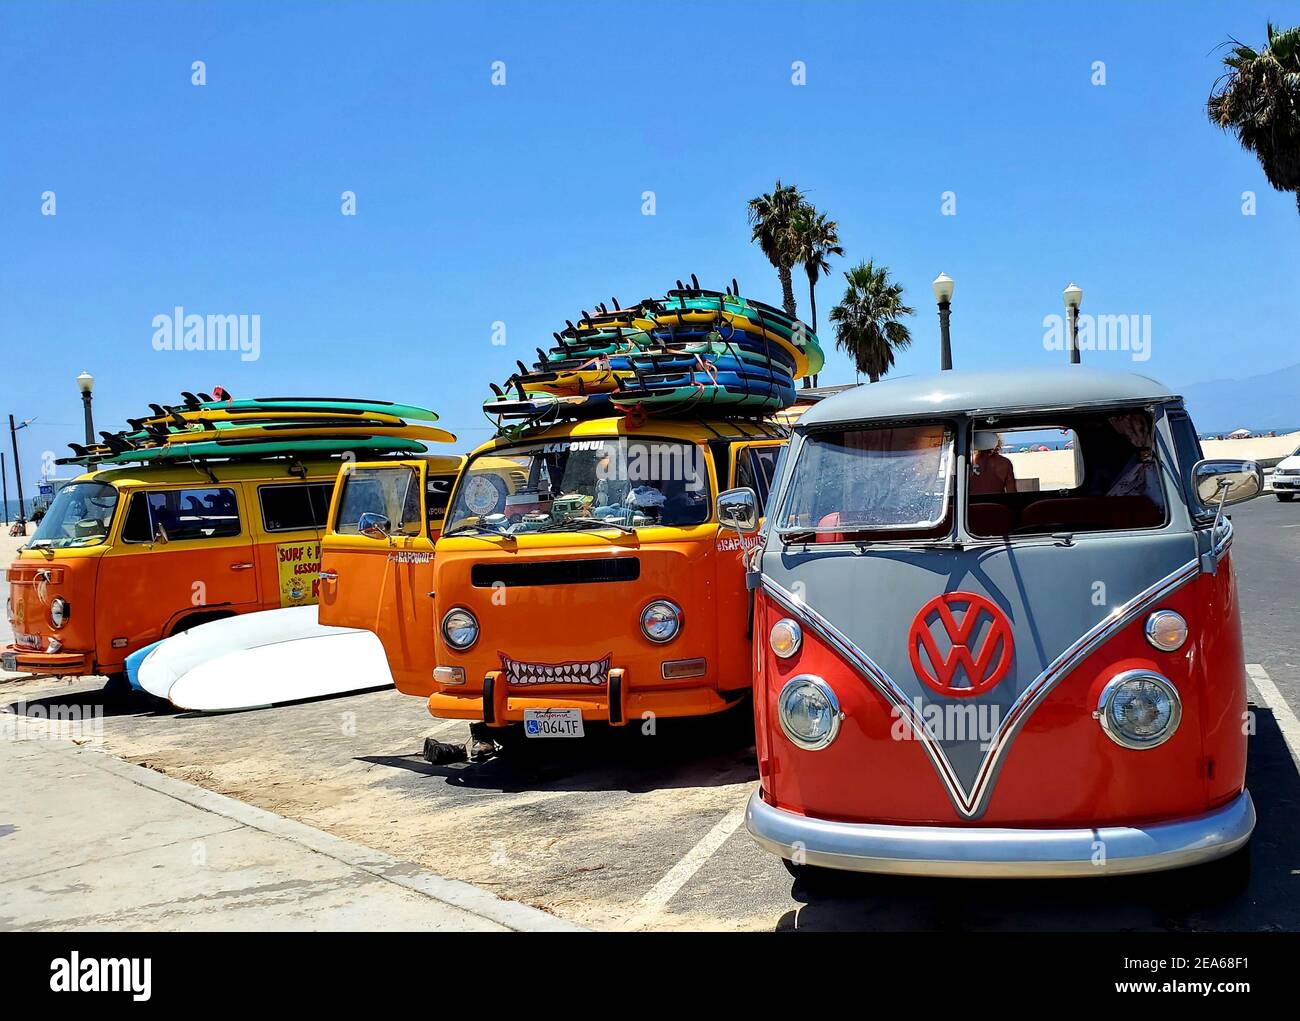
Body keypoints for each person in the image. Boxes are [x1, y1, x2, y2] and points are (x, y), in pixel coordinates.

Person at [970, 431, 1016, 495]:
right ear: (996, 441)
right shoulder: (1005, 463)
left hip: (972, 501)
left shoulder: (968, 462)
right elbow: (1012, 491)